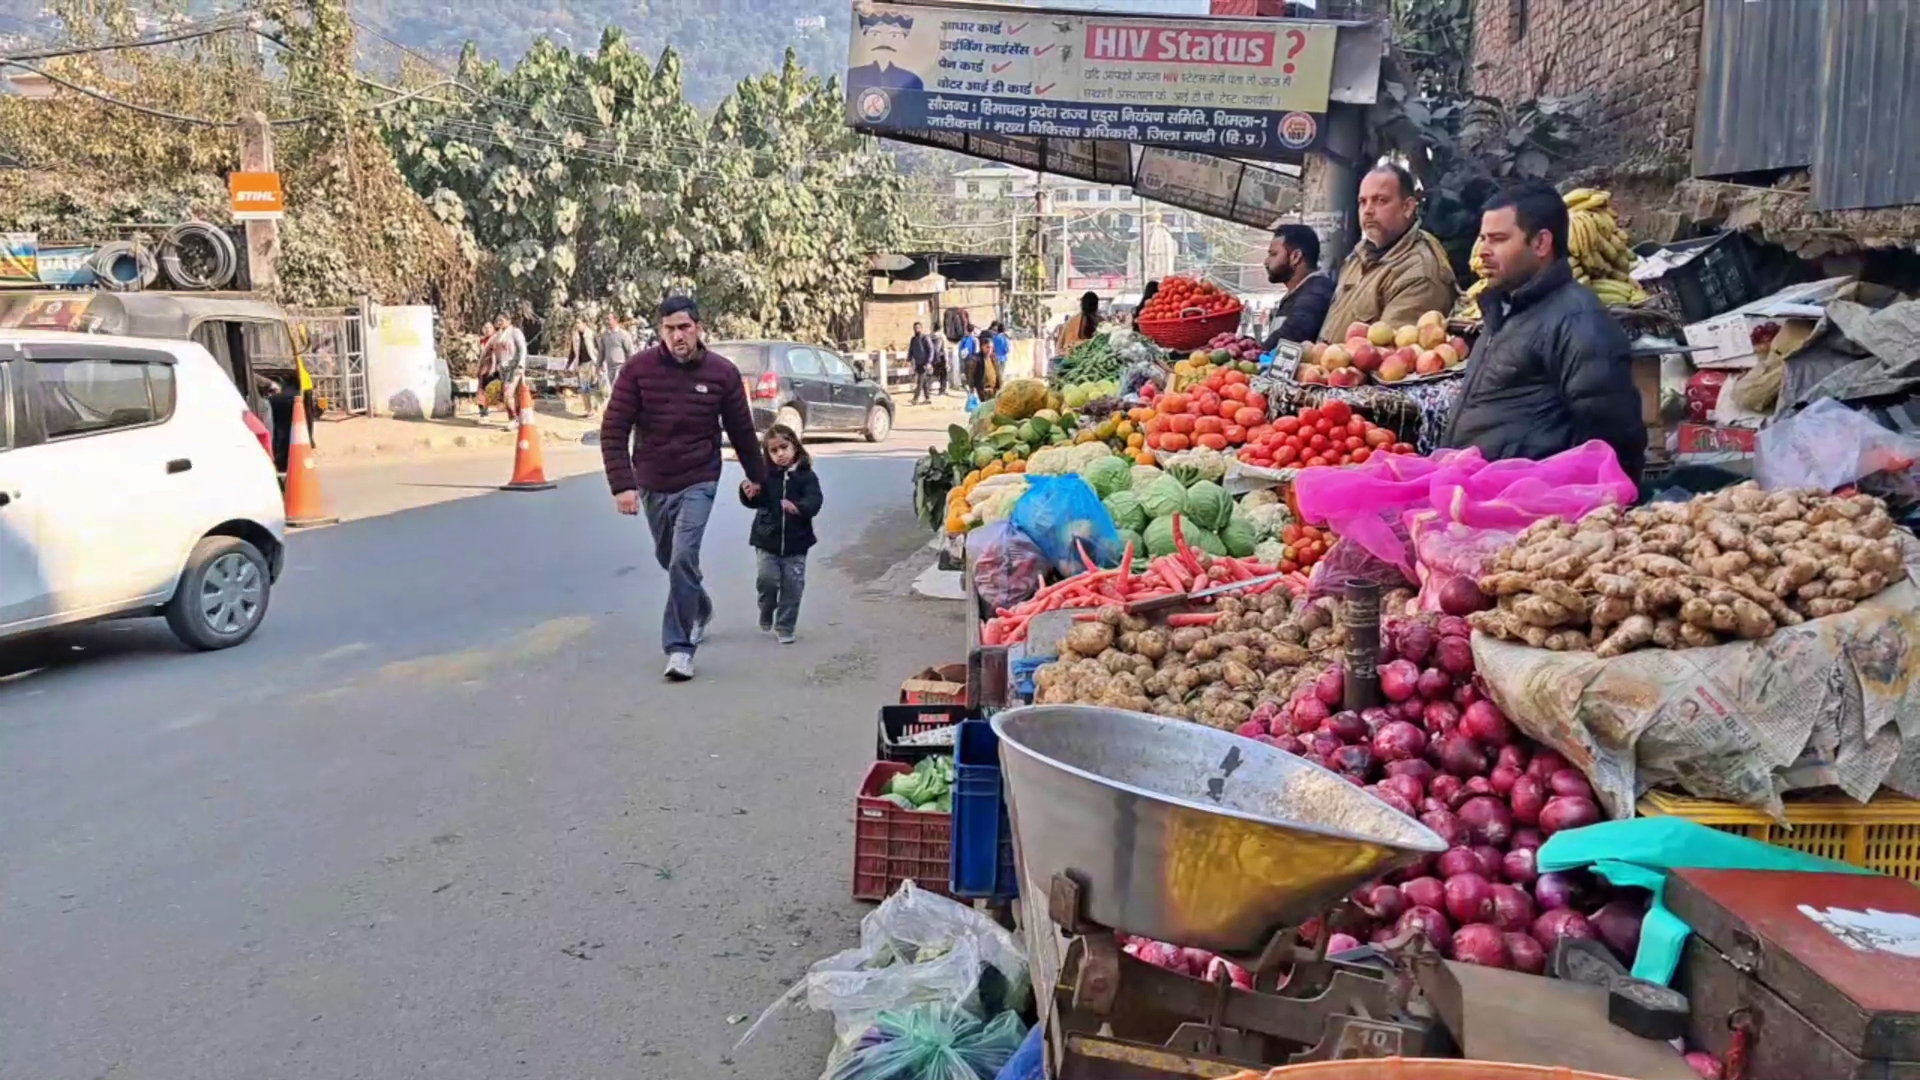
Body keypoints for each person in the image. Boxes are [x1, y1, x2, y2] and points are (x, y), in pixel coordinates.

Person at [600, 296, 769, 681]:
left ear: (698, 328)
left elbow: (742, 431)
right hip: (653, 481)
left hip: (700, 478)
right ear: (661, 331)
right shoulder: (638, 370)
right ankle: (698, 607)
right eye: (670, 329)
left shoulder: (721, 373)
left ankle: (679, 649)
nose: (678, 335)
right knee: (669, 557)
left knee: (682, 556)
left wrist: (759, 478)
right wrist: (623, 485)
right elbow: (614, 429)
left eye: (685, 327)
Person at [1441, 181, 1646, 484]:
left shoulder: (1578, 321)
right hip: (1484, 500)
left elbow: (1615, 443)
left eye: (1497, 240)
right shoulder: (1506, 309)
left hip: (1531, 513)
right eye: (1483, 238)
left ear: (1541, 244)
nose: (1483, 252)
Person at [1319, 164, 1459, 341]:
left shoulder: (1418, 272)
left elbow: (1390, 356)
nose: (1368, 211)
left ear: (1408, 207)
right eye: (1363, 202)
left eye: (1380, 200)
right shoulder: (1358, 256)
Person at [738, 423, 822, 644]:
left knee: (793, 586)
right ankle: (766, 609)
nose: (780, 454)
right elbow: (756, 501)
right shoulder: (765, 475)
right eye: (773, 451)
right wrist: (748, 492)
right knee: (767, 580)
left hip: (797, 542)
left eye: (784, 447)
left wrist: (800, 507)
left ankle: (785, 626)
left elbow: (815, 501)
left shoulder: (806, 476)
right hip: (767, 539)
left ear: (794, 446)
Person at [1261, 223, 1336, 348]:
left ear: (1295, 257)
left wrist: (1257, 353)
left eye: (1273, 254)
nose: (1266, 262)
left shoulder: (1317, 292)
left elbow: (1292, 334)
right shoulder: (1298, 292)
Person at [597, 311, 635, 398]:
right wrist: (598, 366)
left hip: (621, 366)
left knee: (618, 388)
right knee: (613, 389)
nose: (607, 321)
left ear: (616, 320)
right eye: (606, 319)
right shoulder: (605, 335)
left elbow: (630, 351)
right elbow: (601, 351)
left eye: (609, 319)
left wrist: (631, 366)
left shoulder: (623, 335)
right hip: (610, 367)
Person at [568, 317, 602, 412]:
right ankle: (588, 410)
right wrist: (568, 365)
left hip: (592, 363)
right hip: (581, 364)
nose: (577, 325)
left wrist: (601, 363)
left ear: (584, 323)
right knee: (583, 389)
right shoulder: (575, 336)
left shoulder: (591, 334)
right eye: (576, 323)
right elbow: (572, 352)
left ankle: (597, 407)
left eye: (579, 323)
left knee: (593, 387)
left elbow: (600, 349)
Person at [907, 320, 936, 405]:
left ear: (921, 328)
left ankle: (915, 399)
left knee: (920, 381)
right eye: (915, 328)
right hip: (918, 362)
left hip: (925, 363)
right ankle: (927, 398)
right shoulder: (913, 339)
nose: (916, 329)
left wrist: (929, 362)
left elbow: (931, 350)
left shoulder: (925, 338)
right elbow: (911, 350)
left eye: (918, 328)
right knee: (924, 382)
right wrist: (909, 360)